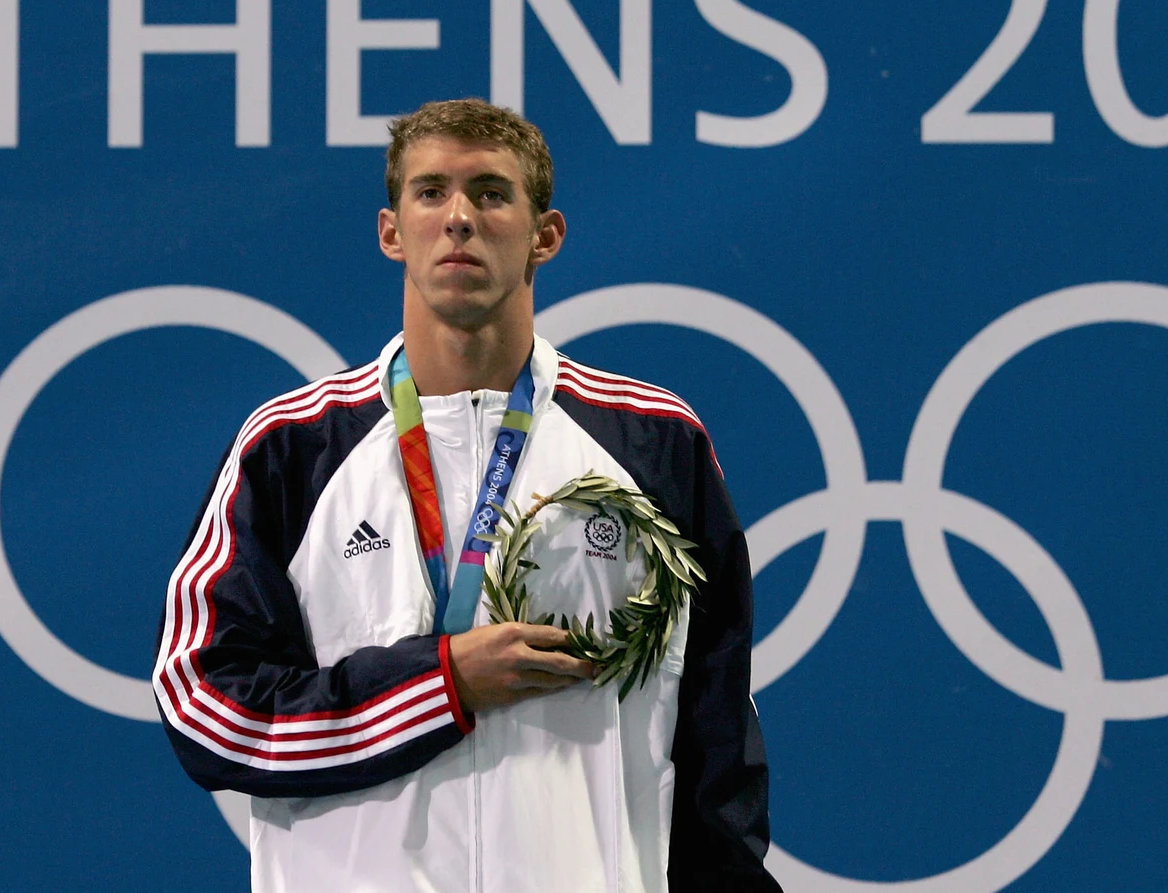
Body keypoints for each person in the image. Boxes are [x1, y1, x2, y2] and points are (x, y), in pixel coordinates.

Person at [153, 98, 782, 893]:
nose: (459, 218)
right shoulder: (294, 446)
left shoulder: (652, 441)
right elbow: (207, 709)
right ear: (391, 231)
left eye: (490, 193)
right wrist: (438, 683)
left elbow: (714, 735)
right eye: (430, 192)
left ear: (544, 235)